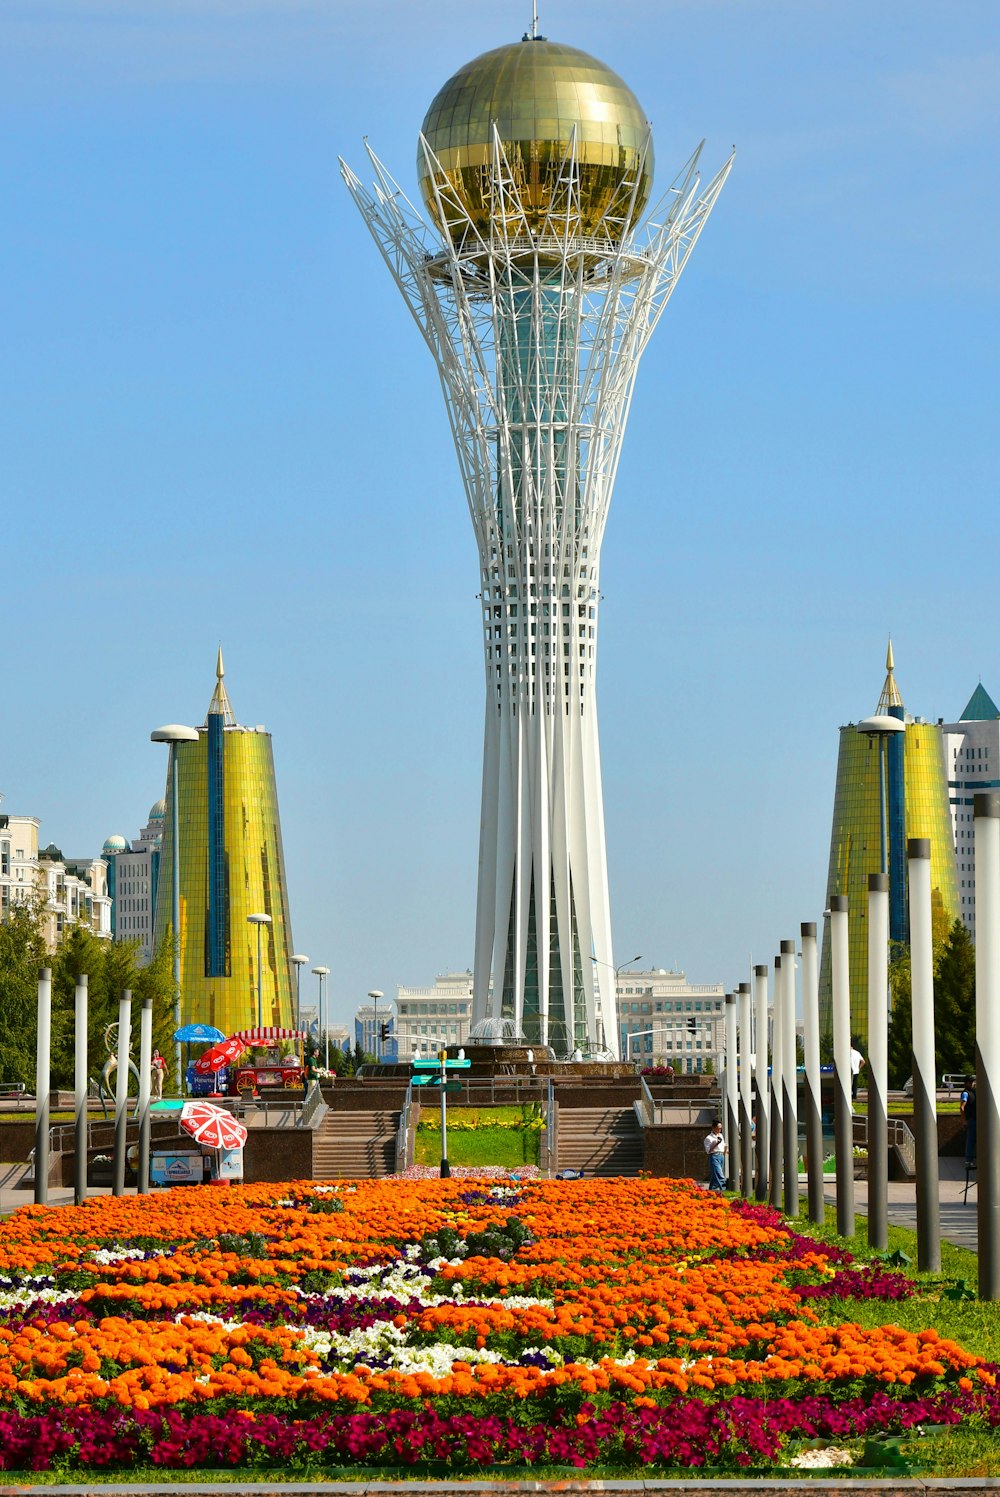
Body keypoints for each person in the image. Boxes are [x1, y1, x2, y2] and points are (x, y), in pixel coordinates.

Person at [703, 1118, 728, 1191]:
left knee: (715, 1176)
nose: (719, 1130)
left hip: (721, 1156)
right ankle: (723, 1190)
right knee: (719, 1174)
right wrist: (716, 1143)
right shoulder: (709, 1138)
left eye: (720, 1129)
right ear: (713, 1128)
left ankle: (711, 1190)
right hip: (714, 1156)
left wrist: (726, 1150)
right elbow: (708, 1151)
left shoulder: (721, 1135)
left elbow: (723, 1146)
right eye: (718, 1128)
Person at [961, 1074, 977, 1167]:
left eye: (974, 1082)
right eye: (970, 1082)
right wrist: (964, 1120)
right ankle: (969, 1159)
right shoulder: (965, 1093)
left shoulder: (975, 1092)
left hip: (977, 1119)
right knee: (971, 1140)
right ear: (966, 1083)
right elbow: (962, 1107)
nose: (973, 1084)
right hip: (971, 1119)